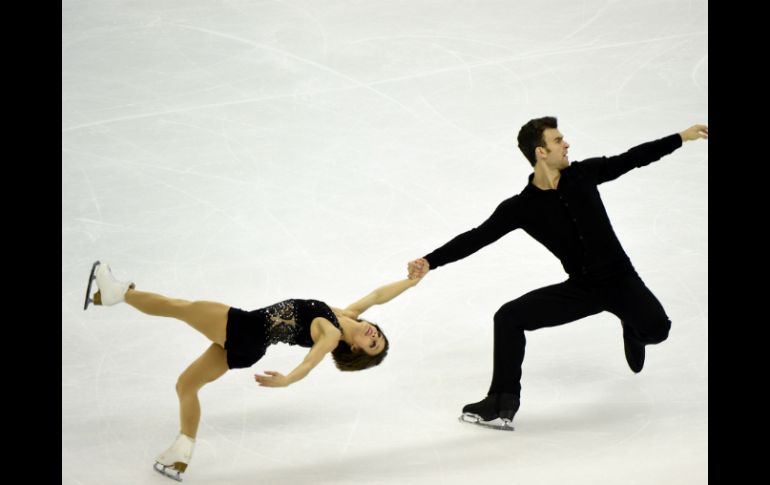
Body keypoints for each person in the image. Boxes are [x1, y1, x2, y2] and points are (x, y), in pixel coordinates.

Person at [407, 117, 708, 430]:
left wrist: (681, 137)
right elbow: (477, 236)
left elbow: (632, 158)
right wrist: (430, 260)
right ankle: (500, 400)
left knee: (658, 330)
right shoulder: (520, 207)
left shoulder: (583, 174)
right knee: (508, 317)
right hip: (583, 289)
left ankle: (632, 329)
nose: (567, 144)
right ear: (540, 152)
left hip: (621, 280)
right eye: (558, 140)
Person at [83, 261, 421, 480]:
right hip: (248, 348)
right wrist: (410, 281)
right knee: (186, 385)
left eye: (374, 345)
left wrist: (288, 380)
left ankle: (115, 294)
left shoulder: (331, 334)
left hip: (243, 329)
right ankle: (181, 452)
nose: (375, 336)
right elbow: (377, 295)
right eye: (379, 336)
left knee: (179, 308)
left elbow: (309, 361)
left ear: (355, 350)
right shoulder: (345, 314)